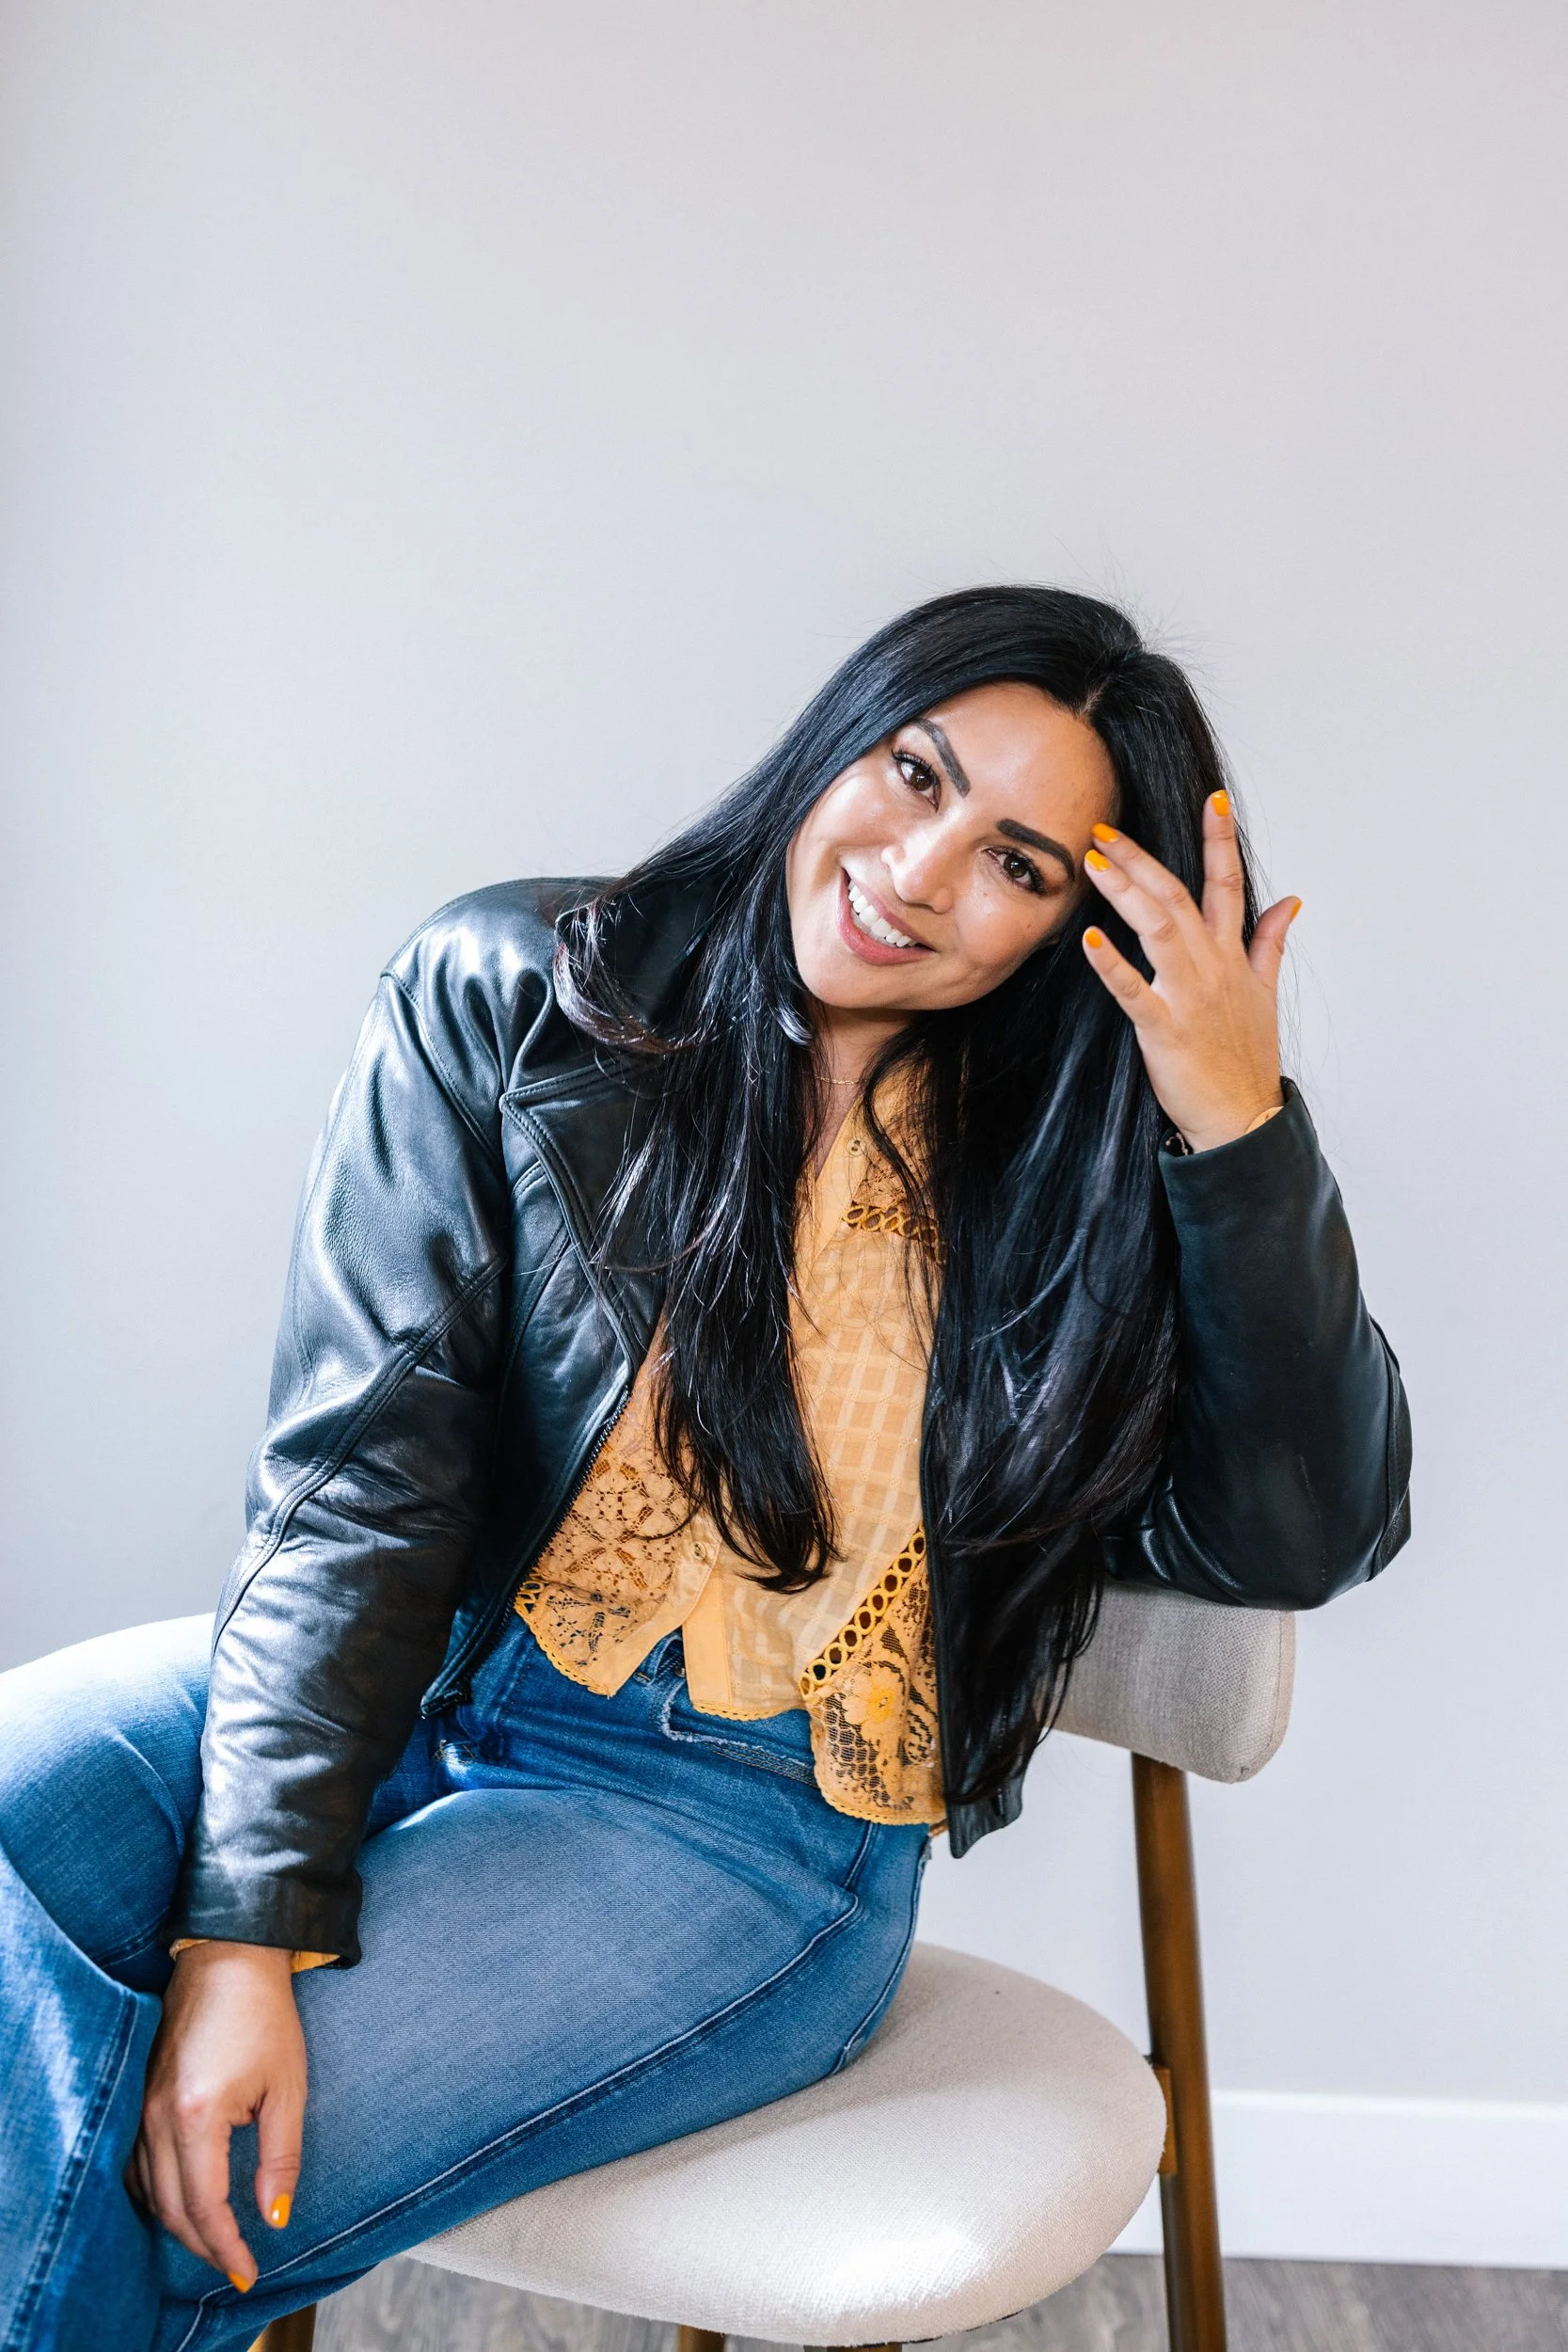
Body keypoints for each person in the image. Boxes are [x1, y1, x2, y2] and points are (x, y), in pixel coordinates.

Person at [0, 587, 1411, 2351]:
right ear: (843, 733)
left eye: (1020, 866)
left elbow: (1302, 1532)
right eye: (914, 775)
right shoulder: (516, 992)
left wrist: (1234, 1120)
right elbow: (356, 1491)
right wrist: (240, 1934)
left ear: (1075, 929)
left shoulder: (1095, 1167)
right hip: (415, 1677)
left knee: (174, 2179)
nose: (916, 868)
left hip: (737, 1824)